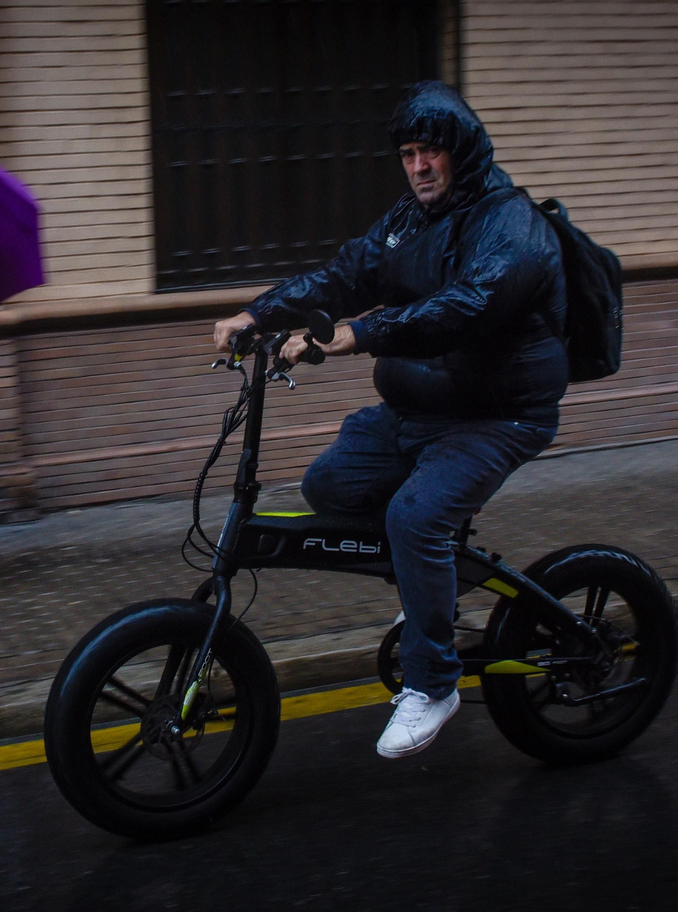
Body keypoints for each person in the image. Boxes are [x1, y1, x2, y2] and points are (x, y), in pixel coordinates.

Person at [213, 81, 569, 759]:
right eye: (408, 153)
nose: (419, 166)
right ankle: (429, 579)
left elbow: (468, 305)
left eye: (432, 151)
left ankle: (433, 683)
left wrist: (360, 333)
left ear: (462, 151)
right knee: (329, 486)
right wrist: (258, 313)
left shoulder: (511, 224)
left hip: (497, 416)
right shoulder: (409, 220)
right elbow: (345, 275)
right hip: (420, 407)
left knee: (414, 518)